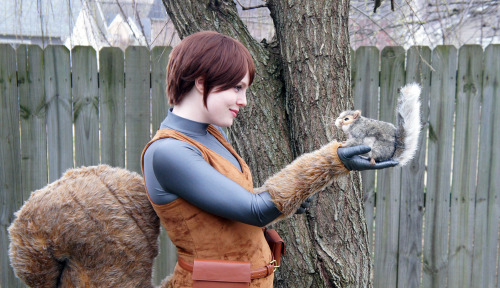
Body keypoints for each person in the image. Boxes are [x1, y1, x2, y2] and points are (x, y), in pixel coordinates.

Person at [141, 31, 397, 288]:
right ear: (201, 81)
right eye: (237, 87)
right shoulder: (169, 151)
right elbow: (254, 210)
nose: (244, 101)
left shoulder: (210, 134)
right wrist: (332, 161)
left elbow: (226, 210)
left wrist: (289, 199)